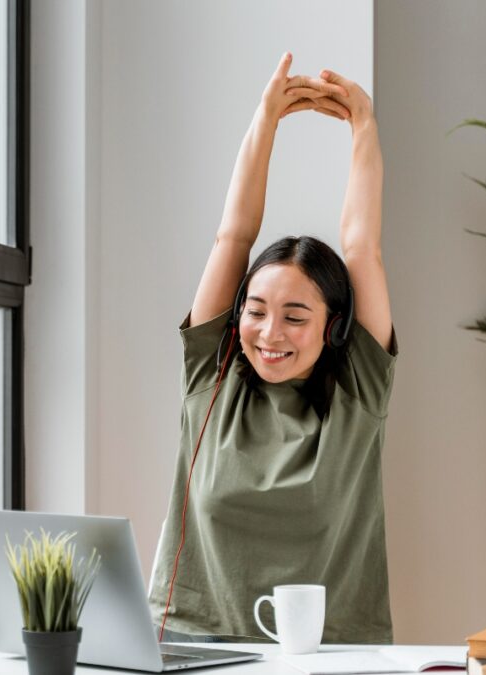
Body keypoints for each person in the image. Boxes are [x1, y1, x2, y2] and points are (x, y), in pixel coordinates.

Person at [148, 53, 396, 645]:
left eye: (294, 316)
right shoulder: (212, 374)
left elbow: (361, 248)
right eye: (255, 312)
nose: (268, 332)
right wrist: (266, 119)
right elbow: (233, 233)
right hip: (190, 644)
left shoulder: (359, 390)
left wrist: (364, 125)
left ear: (335, 327)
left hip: (332, 656)